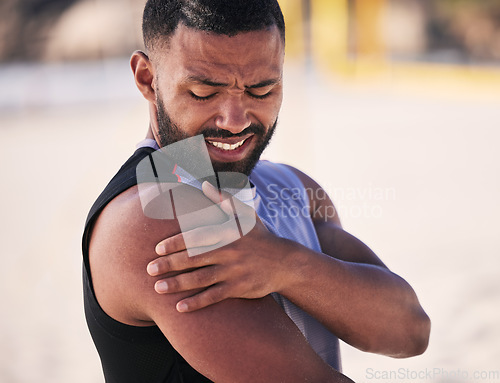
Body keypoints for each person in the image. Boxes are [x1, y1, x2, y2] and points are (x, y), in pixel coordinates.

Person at [82, 1, 431, 382]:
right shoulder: (154, 209)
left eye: (261, 90)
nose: (235, 120)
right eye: (203, 92)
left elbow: (411, 331)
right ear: (148, 79)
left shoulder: (292, 186)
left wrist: (286, 265)